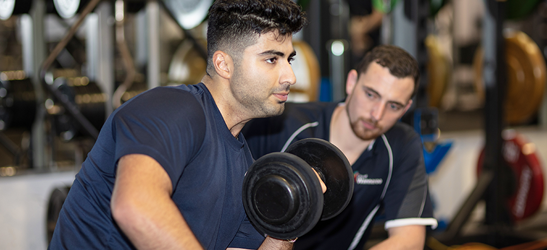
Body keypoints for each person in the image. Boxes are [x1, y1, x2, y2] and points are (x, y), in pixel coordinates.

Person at [48, 0, 309, 249]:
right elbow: (135, 205)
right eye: (272, 59)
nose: (290, 76)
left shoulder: (243, 166)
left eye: (289, 60)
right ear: (224, 64)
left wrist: (289, 224)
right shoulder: (171, 109)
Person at [243, 45, 438, 250]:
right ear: (352, 82)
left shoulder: (402, 145)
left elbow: (409, 241)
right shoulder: (282, 124)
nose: (376, 114)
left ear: (406, 109)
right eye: (371, 95)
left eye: (393, 106)